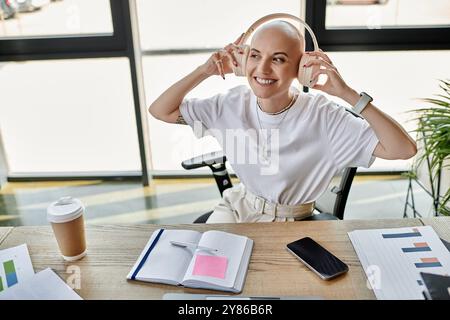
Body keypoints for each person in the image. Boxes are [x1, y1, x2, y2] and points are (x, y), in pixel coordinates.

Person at [148, 20, 417, 223]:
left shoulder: (324, 116)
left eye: (278, 59)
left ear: (302, 68)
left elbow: (403, 149)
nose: (262, 69)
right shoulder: (229, 104)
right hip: (238, 207)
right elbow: (162, 111)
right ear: (243, 61)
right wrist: (206, 70)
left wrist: (347, 94)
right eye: (255, 55)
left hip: (294, 222)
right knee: (210, 280)